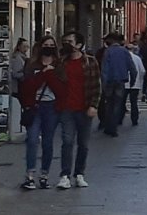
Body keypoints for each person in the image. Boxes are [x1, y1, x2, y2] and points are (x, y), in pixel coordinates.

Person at [57, 31, 101, 190]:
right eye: (65, 41)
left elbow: (97, 85)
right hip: (67, 108)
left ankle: (79, 174)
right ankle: (64, 175)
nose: (67, 44)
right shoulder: (61, 62)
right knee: (67, 142)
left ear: (79, 45)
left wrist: (93, 105)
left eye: (70, 41)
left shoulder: (90, 62)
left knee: (83, 143)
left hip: (84, 108)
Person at [19, 36, 65, 189]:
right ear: (40, 46)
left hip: (51, 108)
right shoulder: (31, 64)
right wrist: (44, 73)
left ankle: (44, 174)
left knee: (47, 142)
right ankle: (30, 175)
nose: (49, 47)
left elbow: (60, 90)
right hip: (35, 107)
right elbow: (28, 87)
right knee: (32, 140)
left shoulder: (59, 66)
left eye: (52, 45)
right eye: (46, 44)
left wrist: (49, 75)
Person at [99, 33, 136, 137]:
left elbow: (104, 70)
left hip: (110, 81)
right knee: (117, 105)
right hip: (121, 81)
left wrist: (104, 84)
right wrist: (132, 80)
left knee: (108, 104)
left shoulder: (108, 51)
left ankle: (108, 126)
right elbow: (132, 68)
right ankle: (114, 127)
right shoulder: (125, 51)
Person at [121, 43, 146, 126]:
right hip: (135, 84)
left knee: (122, 102)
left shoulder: (122, 58)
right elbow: (142, 71)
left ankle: (119, 119)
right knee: (134, 102)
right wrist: (139, 79)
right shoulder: (137, 58)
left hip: (124, 83)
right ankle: (134, 120)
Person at [9, 38, 29, 104]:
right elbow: (15, 74)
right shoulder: (17, 58)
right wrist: (25, 75)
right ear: (19, 47)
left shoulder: (24, 57)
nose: (26, 49)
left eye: (27, 47)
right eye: (24, 47)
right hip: (17, 87)